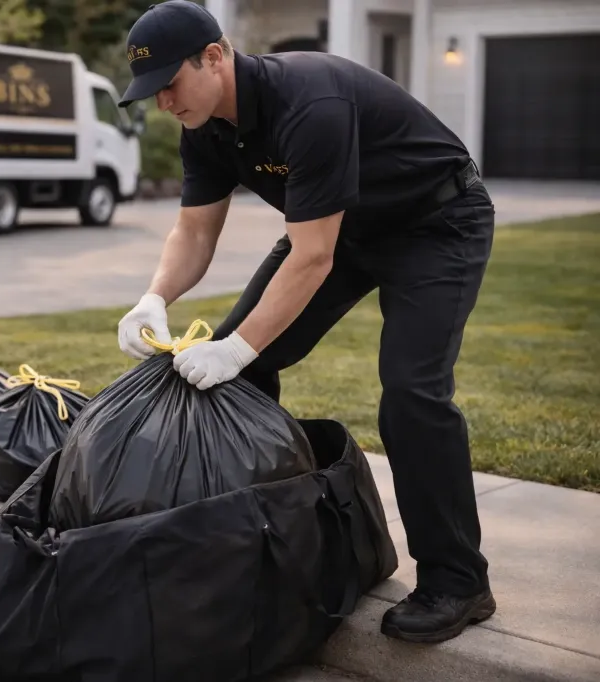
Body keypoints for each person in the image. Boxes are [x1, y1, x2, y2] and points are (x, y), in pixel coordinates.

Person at [115, 0, 496, 645]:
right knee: (240, 372)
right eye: (152, 94)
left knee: (411, 394)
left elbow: (313, 256)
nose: (164, 105)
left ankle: (459, 581)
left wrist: (232, 348)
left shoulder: (309, 102)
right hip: (343, 229)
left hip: (435, 223)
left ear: (215, 56)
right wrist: (155, 298)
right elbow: (194, 230)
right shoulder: (204, 123)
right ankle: (264, 539)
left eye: (169, 86)